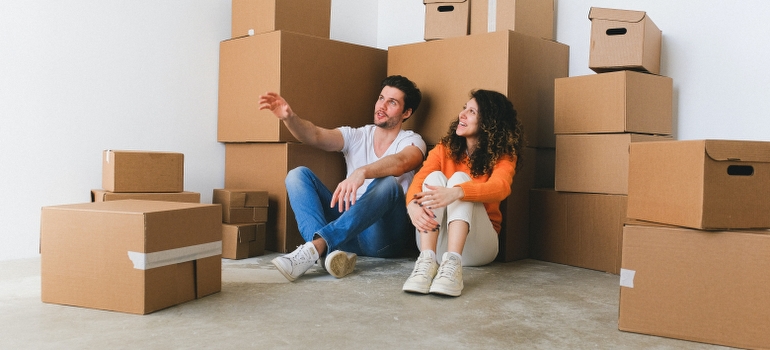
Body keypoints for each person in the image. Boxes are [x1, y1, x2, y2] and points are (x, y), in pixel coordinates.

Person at [258, 75, 427, 282]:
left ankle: (316, 247)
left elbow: (402, 162)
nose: (381, 106)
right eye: (381, 98)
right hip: (345, 231)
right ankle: (329, 255)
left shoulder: (412, 140)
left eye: (392, 102)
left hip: (382, 238)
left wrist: (362, 172)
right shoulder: (358, 135)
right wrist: (289, 118)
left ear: (406, 112)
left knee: (388, 183)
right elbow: (315, 135)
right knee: (297, 175)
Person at [402, 89, 523, 297]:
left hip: (477, 248)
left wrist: (457, 192)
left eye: (472, 112)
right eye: (464, 108)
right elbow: (419, 181)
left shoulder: (504, 155)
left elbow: (501, 187)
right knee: (433, 179)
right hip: (435, 243)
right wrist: (411, 205)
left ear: (489, 122)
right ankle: (426, 263)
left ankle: (452, 268)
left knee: (460, 181)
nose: (462, 114)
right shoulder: (445, 148)